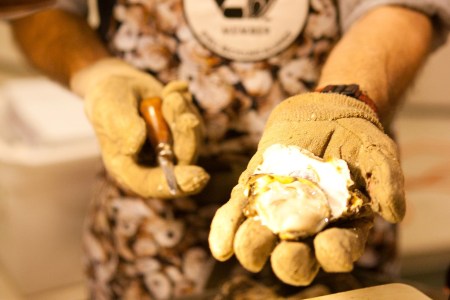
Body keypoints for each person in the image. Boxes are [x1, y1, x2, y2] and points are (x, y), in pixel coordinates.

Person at [9, 0, 450, 298]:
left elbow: (400, 7)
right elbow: (37, 12)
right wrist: (96, 74)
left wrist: (346, 99)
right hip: (147, 223)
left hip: (337, 176)